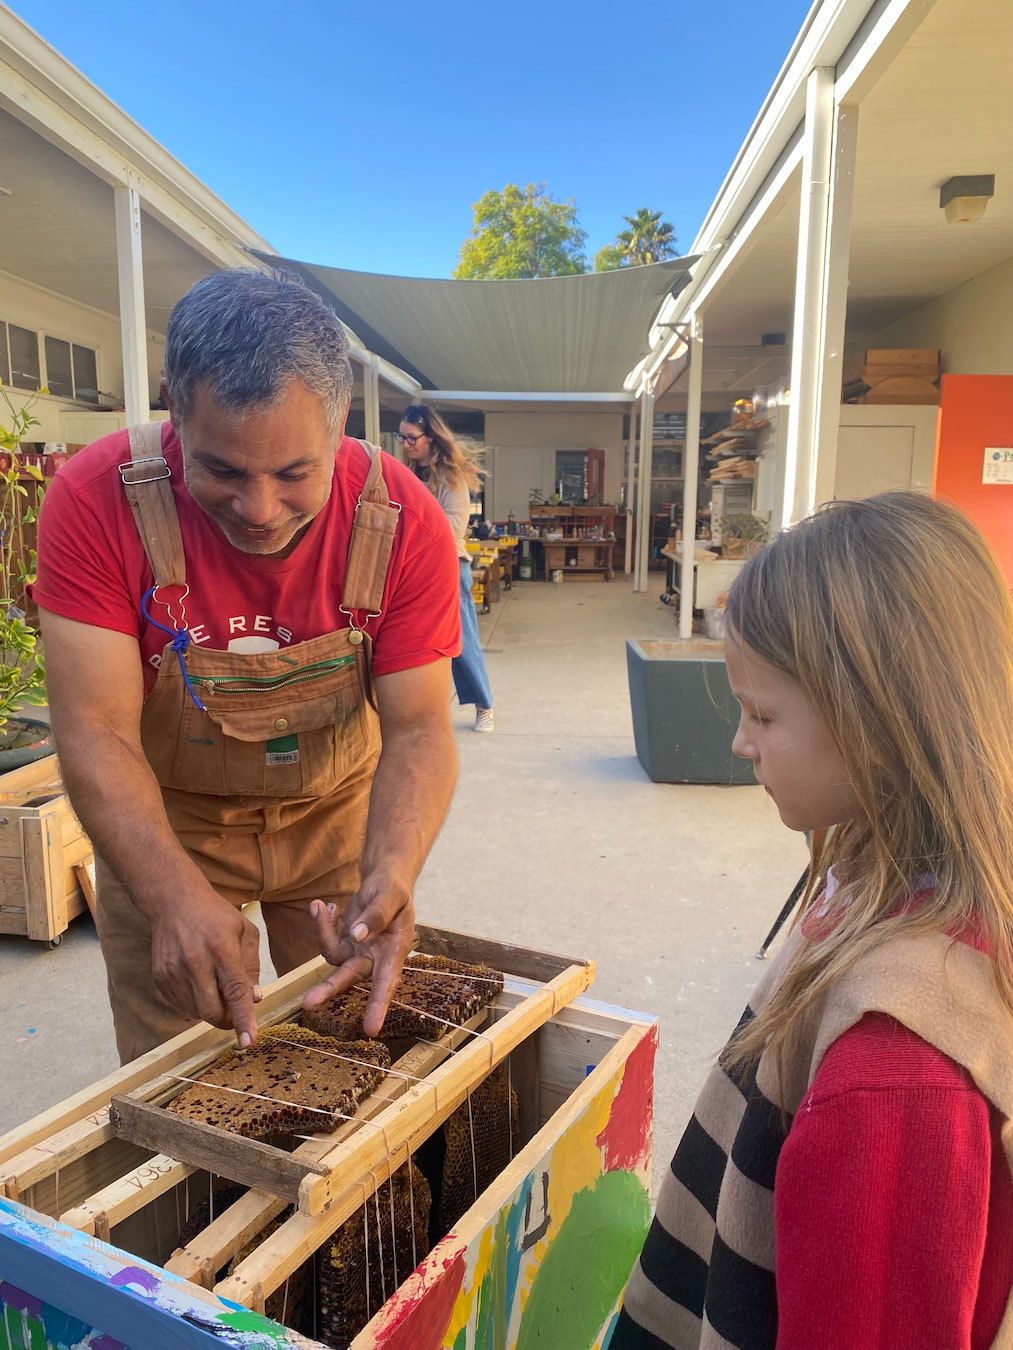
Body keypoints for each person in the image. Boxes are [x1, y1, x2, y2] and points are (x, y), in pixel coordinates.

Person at [614, 491, 1013, 1350]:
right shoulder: (871, 875)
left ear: (880, 724)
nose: (740, 742)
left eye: (761, 714)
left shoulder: (894, 1074)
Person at [34, 269, 462, 1064]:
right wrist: (169, 897)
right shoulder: (95, 498)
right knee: (181, 1071)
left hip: (334, 819)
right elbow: (94, 730)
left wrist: (393, 873)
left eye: (295, 473)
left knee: (345, 1047)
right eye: (223, 471)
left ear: (338, 421)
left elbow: (419, 727)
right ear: (174, 408)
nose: (259, 510)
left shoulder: (400, 518)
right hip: (167, 827)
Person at [397, 404, 495, 733]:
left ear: (431, 437)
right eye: (402, 437)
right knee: (417, 642)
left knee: (462, 640)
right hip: (410, 568)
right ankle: (421, 709)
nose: (406, 444)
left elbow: (453, 526)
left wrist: (412, 532)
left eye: (412, 438)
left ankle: (484, 705)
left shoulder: (450, 477)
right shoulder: (405, 474)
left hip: (447, 566)